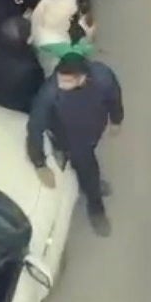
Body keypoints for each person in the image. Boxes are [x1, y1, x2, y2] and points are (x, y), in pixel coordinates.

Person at [29, 46, 124, 236]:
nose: (60, 83)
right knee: (88, 169)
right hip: (70, 139)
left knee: (86, 164)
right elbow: (35, 126)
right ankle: (96, 209)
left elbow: (114, 97)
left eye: (67, 80)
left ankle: (89, 182)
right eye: (60, 78)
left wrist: (116, 119)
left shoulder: (102, 77)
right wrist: (39, 163)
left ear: (82, 78)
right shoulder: (51, 93)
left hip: (93, 131)